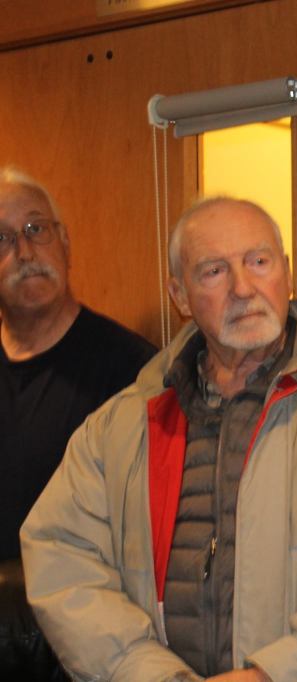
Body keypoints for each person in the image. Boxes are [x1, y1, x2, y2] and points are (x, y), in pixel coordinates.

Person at [22, 197, 297, 681]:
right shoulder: (118, 427)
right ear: (179, 295)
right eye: (214, 271)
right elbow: (61, 556)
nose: (243, 287)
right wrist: (145, 673)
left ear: (287, 273)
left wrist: (275, 674)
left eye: (259, 261)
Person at [0, 167, 156, 680]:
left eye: (36, 229)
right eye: (2, 238)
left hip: (83, 652)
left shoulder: (134, 373)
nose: (25, 252)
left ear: (65, 242)